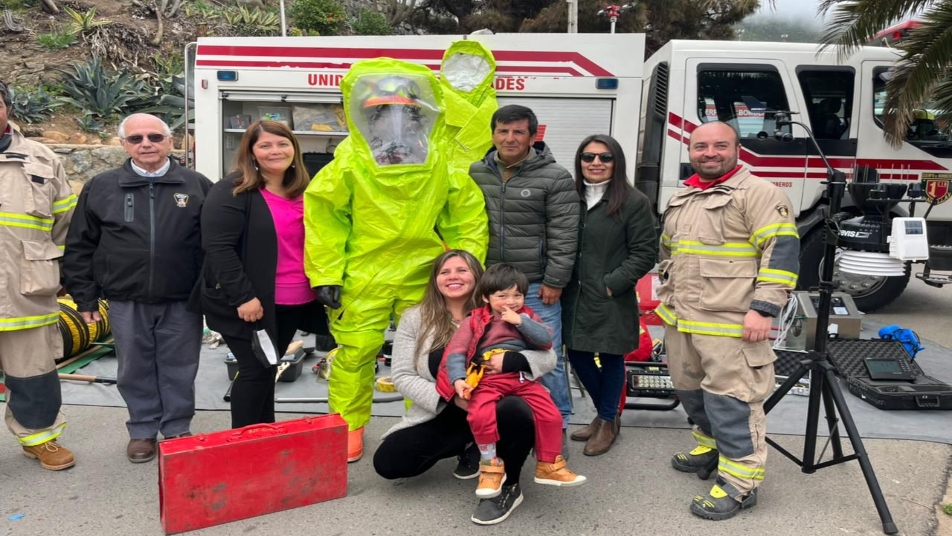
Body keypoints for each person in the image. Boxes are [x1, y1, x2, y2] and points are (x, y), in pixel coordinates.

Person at [304, 59, 488, 463]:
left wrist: (466, 269)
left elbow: (465, 215)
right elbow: (325, 219)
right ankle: (348, 426)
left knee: (428, 353)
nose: (395, 121)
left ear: (419, 112)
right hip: (363, 272)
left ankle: (424, 424)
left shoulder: (438, 160)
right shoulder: (350, 160)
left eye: (404, 110)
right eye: (383, 112)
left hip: (424, 273)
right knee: (356, 351)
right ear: (368, 115)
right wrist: (326, 272)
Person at [655, 121, 799, 520]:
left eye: (720, 145)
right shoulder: (683, 195)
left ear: (737, 148)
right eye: (701, 146)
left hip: (733, 324)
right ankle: (709, 448)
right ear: (690, 151)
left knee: (732, 401)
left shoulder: (760, 193)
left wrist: (764, 308)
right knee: (691, 392)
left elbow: (781, 252)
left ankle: (739, 485)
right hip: (683, 321)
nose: (710, 153)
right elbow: (670, 253)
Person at [63, 113, 212, 464]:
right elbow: (80, 245)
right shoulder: (101, 186)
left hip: (182, 299)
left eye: (155, 137)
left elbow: (214, 245)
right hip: (124, 298)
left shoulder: (198, 185)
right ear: (123, 144)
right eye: (136, 139)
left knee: (180, 366)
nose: (146, 144)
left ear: (170, 142)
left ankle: (176, 428)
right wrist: (84, 296)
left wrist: (212, 293)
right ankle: (143, 430)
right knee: (133, 367)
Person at [373, 250, 558, 526]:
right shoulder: (415, 318)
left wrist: (515, 359)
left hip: (501, 403)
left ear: (477, 277)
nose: (453, 277)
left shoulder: (503, 309)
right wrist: (448, 399)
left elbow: (549, 356)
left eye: (462, 270)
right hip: (446, 407)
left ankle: (508, 485)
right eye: (445, 272)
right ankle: (470, 442)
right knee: (390, 462)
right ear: (435, 280)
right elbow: (402, 375)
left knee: (515, 410)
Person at [195, 120, 329, 429]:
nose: (275, 151)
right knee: (255, 370)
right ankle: (244, 444)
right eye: (265, 145)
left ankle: (264, 434)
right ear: (251, 153)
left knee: (268, 367)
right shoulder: (233, 190)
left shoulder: (304, 191)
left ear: (294, 150)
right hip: (250, 303)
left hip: (294, 299)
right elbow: (218, 249)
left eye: (282, 144)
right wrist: (244, 296)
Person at [468, 104, 579, 445]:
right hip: (487, 289)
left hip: (534, 288)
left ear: (533, 136)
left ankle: (556, 427)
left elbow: (564, 232)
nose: (510, 138)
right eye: (503, 131)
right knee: (483, 356)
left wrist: (555, 280)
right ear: (493, 135)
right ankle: (492, 427)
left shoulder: (555, 176)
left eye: (518, 132)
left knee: (547, 359)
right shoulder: (475, 172)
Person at [437, 262, 585, 498]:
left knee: (551, 414)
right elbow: (456, 352)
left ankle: (548, 465)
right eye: (502, 295)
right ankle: (490, 466)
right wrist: (457, 379)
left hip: (521, 378)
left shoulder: (527, 316)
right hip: (487, 379)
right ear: (486, 297)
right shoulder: (474, 320)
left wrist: (521, 321)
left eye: (517, 295)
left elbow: (546, 341)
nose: (511, 301)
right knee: (479, 415)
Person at [562, 134, 658, 456]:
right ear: (580, 162)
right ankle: (608, 415)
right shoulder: (568, 197)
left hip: (610, 296)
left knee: (612, 355)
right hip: (572, 295)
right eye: (588, 157)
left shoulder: (633, 202)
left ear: (617, 162)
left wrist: (612, 283)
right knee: (577, 353)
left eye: (605, 157)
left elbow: (645, 252)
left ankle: (606, 420)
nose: (596, 163)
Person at [0, 80, 78, 470]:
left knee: (33, 373)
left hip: (26, 290)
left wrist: (61, 268)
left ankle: (40, 439)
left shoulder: (42, 159)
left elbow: (67, 221)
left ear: (7, 108)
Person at [438, 40, 498, 172]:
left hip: (471, 161)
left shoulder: (487, 95)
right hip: (440, 161)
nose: (465, 72)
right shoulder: (438, 93)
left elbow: (487, 123)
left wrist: (465, 143)